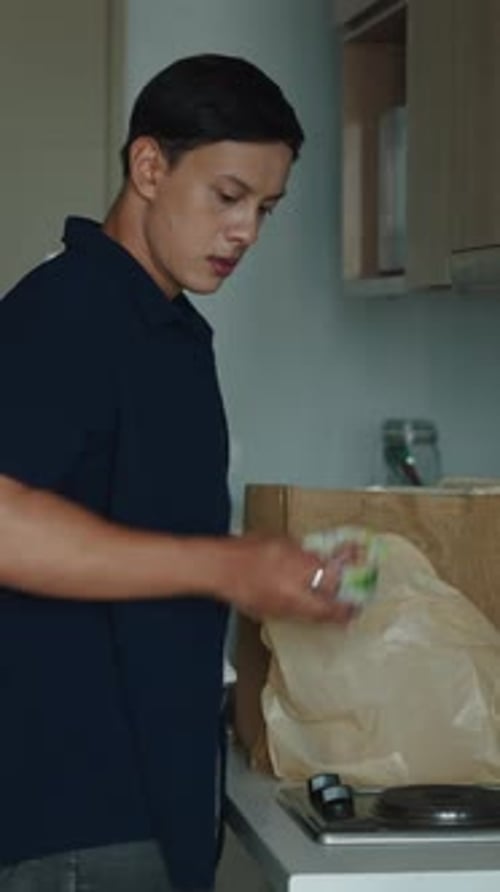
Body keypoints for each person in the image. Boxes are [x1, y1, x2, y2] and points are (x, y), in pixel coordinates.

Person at [0, 54, 354, 892]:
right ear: (150, 167)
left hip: (145, 798)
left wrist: (262, 578)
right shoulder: (69, 311)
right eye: (228, 196)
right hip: (77, 817)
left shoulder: (160, 327)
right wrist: (227, 565)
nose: (246, 232)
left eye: (265, 209)